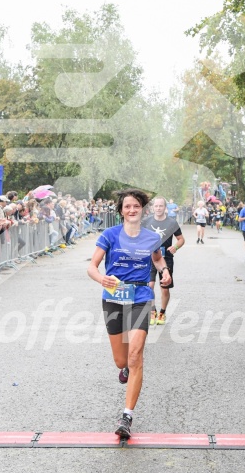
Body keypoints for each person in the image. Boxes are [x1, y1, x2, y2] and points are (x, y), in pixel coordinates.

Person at [87, 188, 171, 439]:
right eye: (127, 206)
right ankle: (124, 369)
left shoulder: (150, 237)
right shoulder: (110, 235)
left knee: (135, 356)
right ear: (121, 211)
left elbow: (157, 260)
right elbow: (91, 267)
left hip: (140, 297)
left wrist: (164, 271)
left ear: (142, 209)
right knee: (122, 361)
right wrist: (103, 279)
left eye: (136, 206)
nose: (132, 210)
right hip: (114, 297)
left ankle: (127, 416)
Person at [142, 196, 185, 325]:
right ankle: (152, 311)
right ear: (153, 207)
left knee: (164, 288)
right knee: (149, 286)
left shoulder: (172, 223)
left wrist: (175, 246)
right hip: (150, 258)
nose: (158, 208)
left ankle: (162, 313)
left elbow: (181, 239)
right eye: (156, 206)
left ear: (165, 208)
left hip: (166, 259)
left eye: (161, 206)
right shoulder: (146, 222)